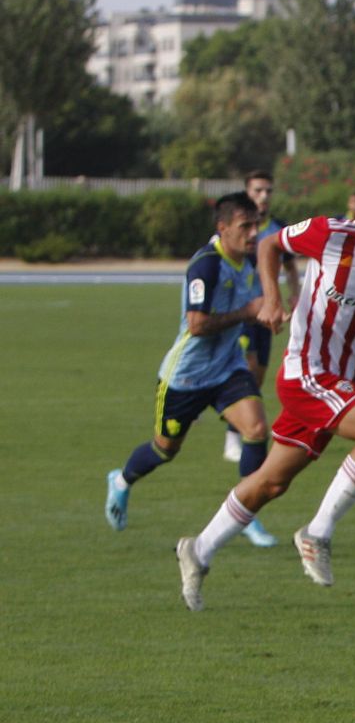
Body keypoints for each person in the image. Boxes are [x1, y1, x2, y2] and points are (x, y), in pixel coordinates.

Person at [174, 161, 355, 611]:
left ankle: (198, 550)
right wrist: (271, 297)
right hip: (307, 373)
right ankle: (317, 533)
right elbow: (269, 244)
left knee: (270, 483)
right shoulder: (330, 233)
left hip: (341, 384)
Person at [104, 192, 278, 547]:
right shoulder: (206, 265)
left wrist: (268, 314)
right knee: (165, 449)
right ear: (223, 227)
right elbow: (197, 325)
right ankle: (121, 480)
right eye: (245, 227)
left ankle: (246, 514)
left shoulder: (249, 261)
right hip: (185, 377)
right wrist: (248, 312)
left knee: (258, 429)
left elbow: (255, 306)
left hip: (227, 368)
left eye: (255, 225)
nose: (252, 233)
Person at [223, 170, 300, 465]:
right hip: (241, 313)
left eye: (268, 191)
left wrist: (295, 294)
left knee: (258, 375)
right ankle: (234, 436)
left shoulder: (278, 229)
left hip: (268, 314)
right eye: (258, 191)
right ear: (247, 192)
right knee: (248, 366)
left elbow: (291, 267)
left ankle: (241, 430)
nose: (264, 196)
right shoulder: (235, 229)